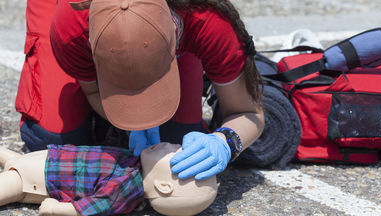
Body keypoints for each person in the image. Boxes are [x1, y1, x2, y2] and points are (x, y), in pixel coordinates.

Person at [16, 0, 265, 181]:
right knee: (52, 142)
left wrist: (225, 141)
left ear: (175, 35)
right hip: (64, 10)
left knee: (178, 138)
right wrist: (132, 122)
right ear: (91, 43)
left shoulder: (207, 19)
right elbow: (92, 91)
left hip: (184, 15)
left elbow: (247, 112)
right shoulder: (72, 24)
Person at [0, 142, 218, 216]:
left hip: (35, 180)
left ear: (164, 186)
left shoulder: (127, 188)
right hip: (50, 159)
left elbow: (96, 206)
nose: (172, 144)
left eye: (173, 153)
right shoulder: (135, 165)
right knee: (14, 160)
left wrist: (57, 209)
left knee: (9, 182)